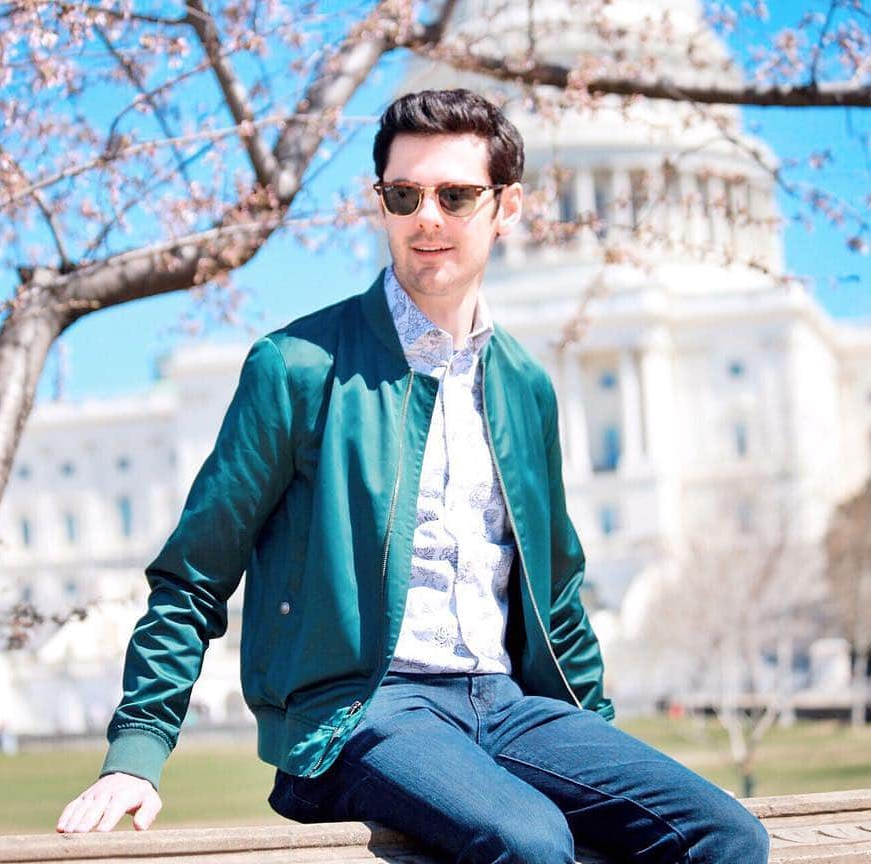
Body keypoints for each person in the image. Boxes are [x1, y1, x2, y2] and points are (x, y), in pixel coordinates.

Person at [57, 88, 770, 863]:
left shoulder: (525, 385)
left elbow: (556, 595)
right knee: (528, 842)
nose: (427, 217)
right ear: (383, 206)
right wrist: (137, 749)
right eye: (405, 196)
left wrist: (590, 743)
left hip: (506, 705)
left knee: (727, 835)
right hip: (359, 710)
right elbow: (193, 575)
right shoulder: (298, 369)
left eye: (456, 195)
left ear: (507, 207)